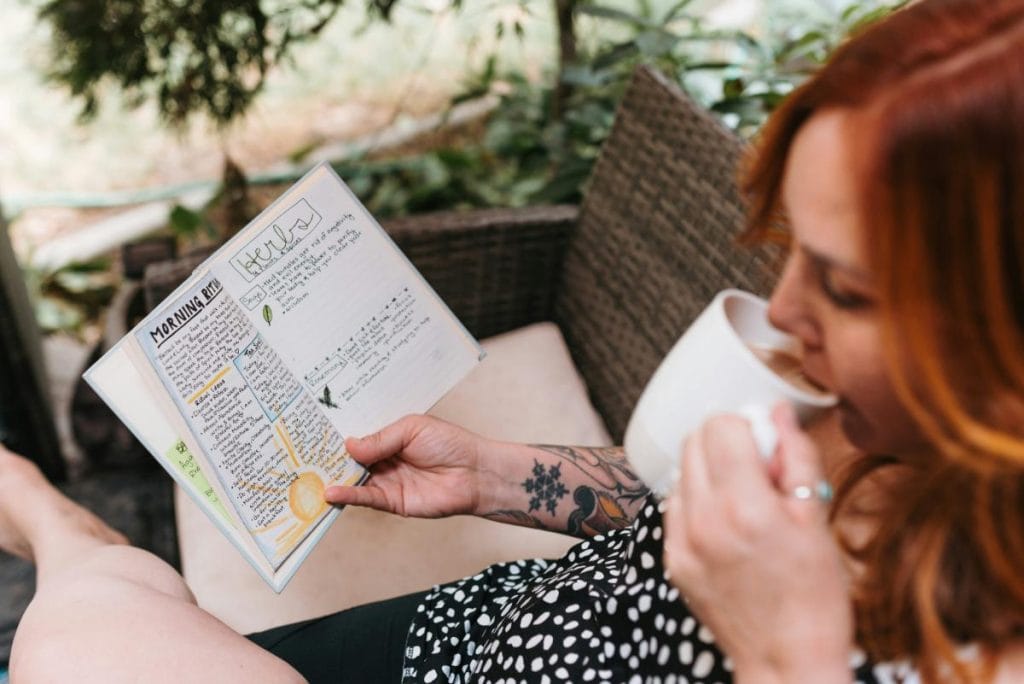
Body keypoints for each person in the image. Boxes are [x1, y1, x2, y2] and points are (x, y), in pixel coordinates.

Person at [5, 0, 1024, 680]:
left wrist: (784, 656)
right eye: (792, 247)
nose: (785, 312)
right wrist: (494, 476)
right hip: (480, 636)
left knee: (81, 646)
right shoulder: (883, 418)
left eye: (846, 291)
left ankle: (66, 538)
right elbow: (690, 506)